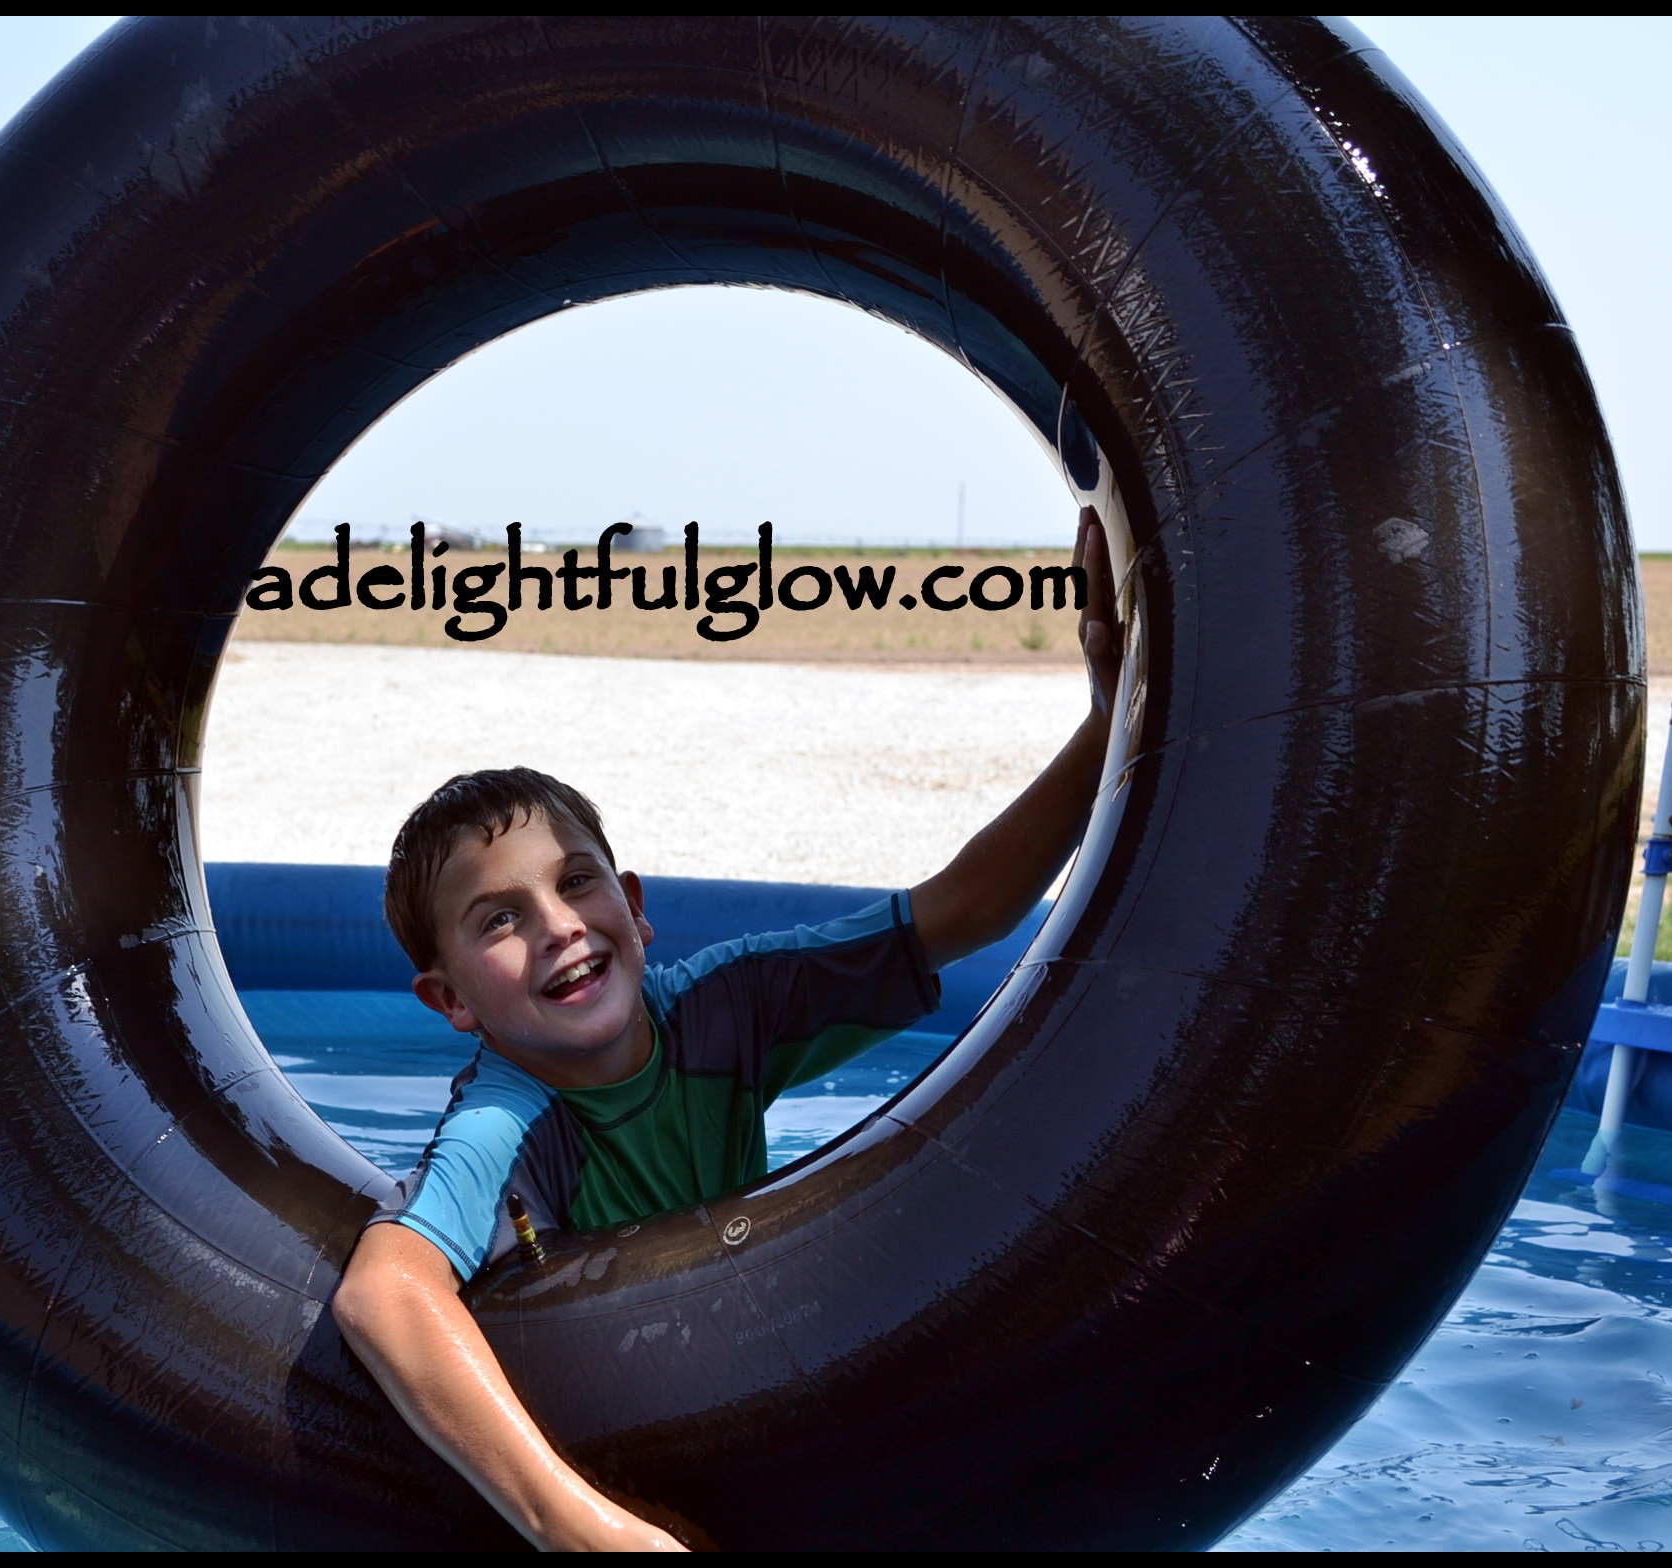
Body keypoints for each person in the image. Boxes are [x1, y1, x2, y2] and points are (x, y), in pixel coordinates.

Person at [332, 513, 1124, 1550]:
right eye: (500, 919)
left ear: (634, 907)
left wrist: (1109, 717)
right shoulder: (507, 1124)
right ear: (451, 1004)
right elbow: (383, 1291)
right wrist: (573, 1527)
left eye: (576, 882)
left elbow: (962, 910)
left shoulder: (728, 1007)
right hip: (631, 1442)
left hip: (767, 1393)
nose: (559, 926)